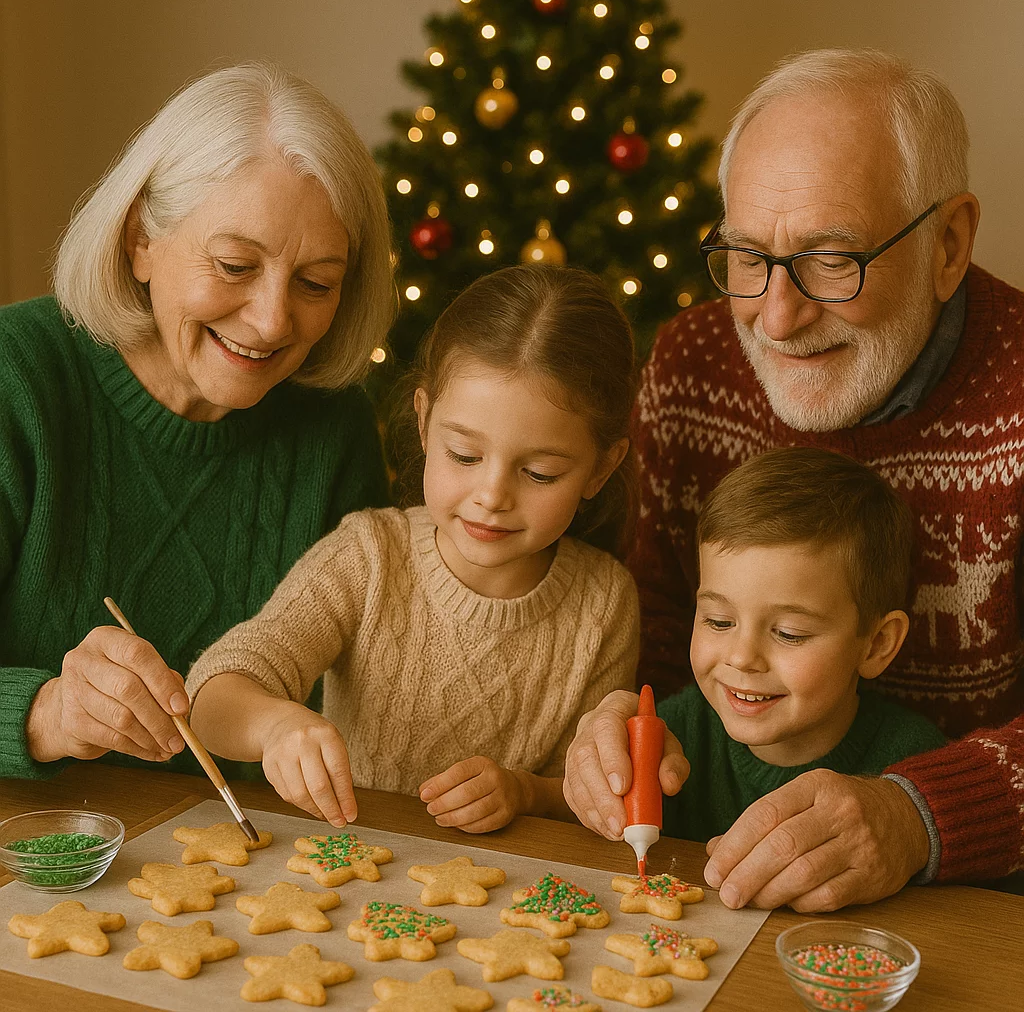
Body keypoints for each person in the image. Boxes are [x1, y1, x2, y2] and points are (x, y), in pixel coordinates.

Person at [564, 48, 1024, 911]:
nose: (776, 317)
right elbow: (664, 629)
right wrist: (619, 718)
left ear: (950, 244)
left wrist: (915, 816)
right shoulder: (692, 362)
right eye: (747, 257)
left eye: (830, 260)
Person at [0, 62, 395, 781]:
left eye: (316, 283)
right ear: (139, 240)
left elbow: (376, 703)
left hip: (248, 873)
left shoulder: (335, 431)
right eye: (235, 265)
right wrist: (47, 712)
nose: (274, 320)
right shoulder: (16, 377)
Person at [185, 264, 640, 833]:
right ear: (425, 426)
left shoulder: (604, 603)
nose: (492, 496)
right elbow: (211, 696)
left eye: (540, 472)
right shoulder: (370, 556)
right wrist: (276, 727)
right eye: (465, 457)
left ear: (601, 467)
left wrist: (523, 791)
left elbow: (590, 793)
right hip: (350, 870)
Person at [586, 448, 946, 848]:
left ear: (877, 645)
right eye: (718, 621)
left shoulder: (918, 767)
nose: (741, 657)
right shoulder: (672, 735)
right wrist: (532, 792)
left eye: (789, 633)